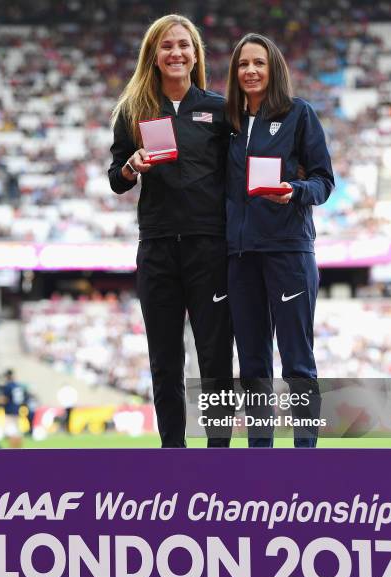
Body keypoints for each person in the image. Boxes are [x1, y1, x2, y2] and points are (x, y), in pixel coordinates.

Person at [108, 14, 233, 448]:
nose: (176, 52)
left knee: (216, 358)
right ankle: (172, 456)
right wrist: (130, 166)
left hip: (210, 248)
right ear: (154, 56)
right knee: (165, 361)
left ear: (195, 54)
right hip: (158, 247)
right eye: (166, 46)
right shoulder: (133, 111)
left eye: (184, 44)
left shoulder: (220, 110)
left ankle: (220, 456)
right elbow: (116, 178)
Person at [225, 33, 335, 448]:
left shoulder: (298, 114)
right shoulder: (229, 124)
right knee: (253, 367)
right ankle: (260, 459)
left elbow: (324, 181)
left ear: (274, 68)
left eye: (259, 63)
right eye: (242, 64)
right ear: (234, 73)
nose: (250, 71)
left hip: (288, 252)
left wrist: (294, 191)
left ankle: (303, 459)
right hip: (240, 257)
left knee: (297, 365)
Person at [1, 369, 31, 448]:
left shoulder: (8, 386)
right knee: (16, 431)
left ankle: (13, 450)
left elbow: (5, 399)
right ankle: (18, 449)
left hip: (10, 410)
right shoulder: (18, 385)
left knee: (10, 432)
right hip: (17, 409)